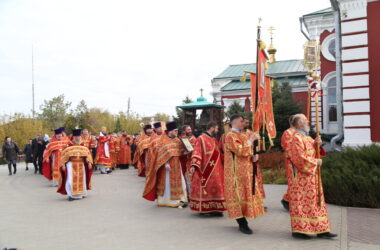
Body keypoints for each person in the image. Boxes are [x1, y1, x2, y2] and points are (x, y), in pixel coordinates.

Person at [287, 114, 337, 239]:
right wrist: (316, 162)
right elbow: (299, 158)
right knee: (303, 203)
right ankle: (299, 230)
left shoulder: (307, 137)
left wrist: (318, 144)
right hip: (301, 178)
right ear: (299, 124)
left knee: (316, 202)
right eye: (305, 120)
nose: (308, 122)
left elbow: (315, 151)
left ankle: (321, 229)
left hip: (312, 178)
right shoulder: (295, 138)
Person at [224, 114, 264, 234]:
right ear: (235, 122)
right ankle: (242, 223)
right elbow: (240, 150)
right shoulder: (230, 136)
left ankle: (244, 220)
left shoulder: (242, 135)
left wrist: (254, 156)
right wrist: (251, 140)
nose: (244, 123)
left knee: (245, 196)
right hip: (235, 174)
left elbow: (248, 151)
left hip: (246, 172)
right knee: (237, 197)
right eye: (242, 121)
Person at [143, 121, 188, 208]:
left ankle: (180, 200)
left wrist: (185, 153)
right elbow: (159, 155)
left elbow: (180, 152)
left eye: (177, 131)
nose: (177, 132)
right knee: (168, 184)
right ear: (170, 131)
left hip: (177, 166)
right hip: (167, 167)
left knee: (181, 182)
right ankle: (170, 202)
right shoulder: (162, 141)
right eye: (175, 131)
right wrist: (166, 163)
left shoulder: (178, 140)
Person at [189, 121, 226, 216]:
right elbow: (196, 152)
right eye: (216, 128)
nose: (217, 130)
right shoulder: (201, 138)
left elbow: (219, 153)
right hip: (205, 170)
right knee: (206, 189)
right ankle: (206, 208)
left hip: (217, 169)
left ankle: (216, 208)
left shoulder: (214, 139)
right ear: (212, 128)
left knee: (217, 188)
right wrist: (194, 165)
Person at [57, 129, 93, 201]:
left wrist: (89, 162)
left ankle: (81, 193)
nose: (77, 138)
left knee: (82, 180)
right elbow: (63, 156)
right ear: (73, 137)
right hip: (71, 165)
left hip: (81, 165)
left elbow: (87, 155)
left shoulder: (83, 146)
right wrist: (63, 164)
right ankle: (71, 195)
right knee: (70, 180)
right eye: (76, 136)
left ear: (80, 137)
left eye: (79, 136)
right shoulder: (68, 145)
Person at [242, 118, 266, 202]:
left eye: (248, 122)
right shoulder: (238, 134)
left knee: (256, 179)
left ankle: (258, 200)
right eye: (245, 122)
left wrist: (257, 154)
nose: (246, 124)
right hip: (244, 160)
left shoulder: (251, 133)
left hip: (252, 160)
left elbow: (257, 146)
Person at [280, 114, 298, 211]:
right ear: (293, 122)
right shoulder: (287, 133)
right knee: (293, 182)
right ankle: (287, 200)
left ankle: (291, 200)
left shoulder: (299, 132)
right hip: (292, 162)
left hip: (300, 162)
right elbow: (288, 146)